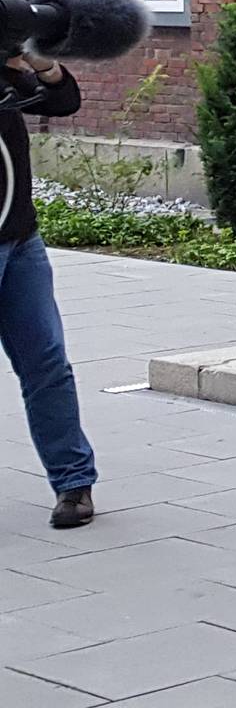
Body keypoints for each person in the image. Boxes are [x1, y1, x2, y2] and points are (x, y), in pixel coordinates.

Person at [1, 50, 93, 529]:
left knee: (48, 364)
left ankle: (74, 482)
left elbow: (63, 100)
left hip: (20, 240)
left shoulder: (8, 69)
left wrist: (36, 63)